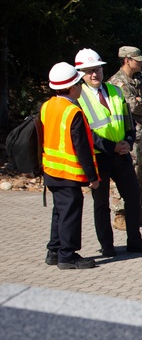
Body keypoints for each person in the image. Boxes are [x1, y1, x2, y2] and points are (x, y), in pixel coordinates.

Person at [74, 48, 142, 257]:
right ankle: (107, 245)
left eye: (97, 70)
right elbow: (85, 133)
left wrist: (128, 141)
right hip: (99, 156)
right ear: (81, 74)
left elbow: (127, 122)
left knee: (133, 196)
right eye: (89, 71)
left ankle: (135, 241)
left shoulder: (115, 90)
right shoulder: (78, 97)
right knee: (101, 203)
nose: (94, 74)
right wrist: (112, 147)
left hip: (122, 154)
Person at [41, 62, 101, 269]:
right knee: (70, 213)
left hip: (51, 169)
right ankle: (67, 255)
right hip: (68, 172)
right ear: (73, 87)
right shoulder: (73, 111)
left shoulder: (47, 106)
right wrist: (92, 177)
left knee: (60, 211)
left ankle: (54, 251)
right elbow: (82, 147)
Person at [108, 46, 142, 229]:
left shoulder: (138, 81)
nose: (141, 62)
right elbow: (131, 107)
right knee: (128, 174)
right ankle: (120, 215)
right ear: (127, 60)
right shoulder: (116, 83)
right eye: (137, 59)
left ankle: (139, 212)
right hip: (131, 138)